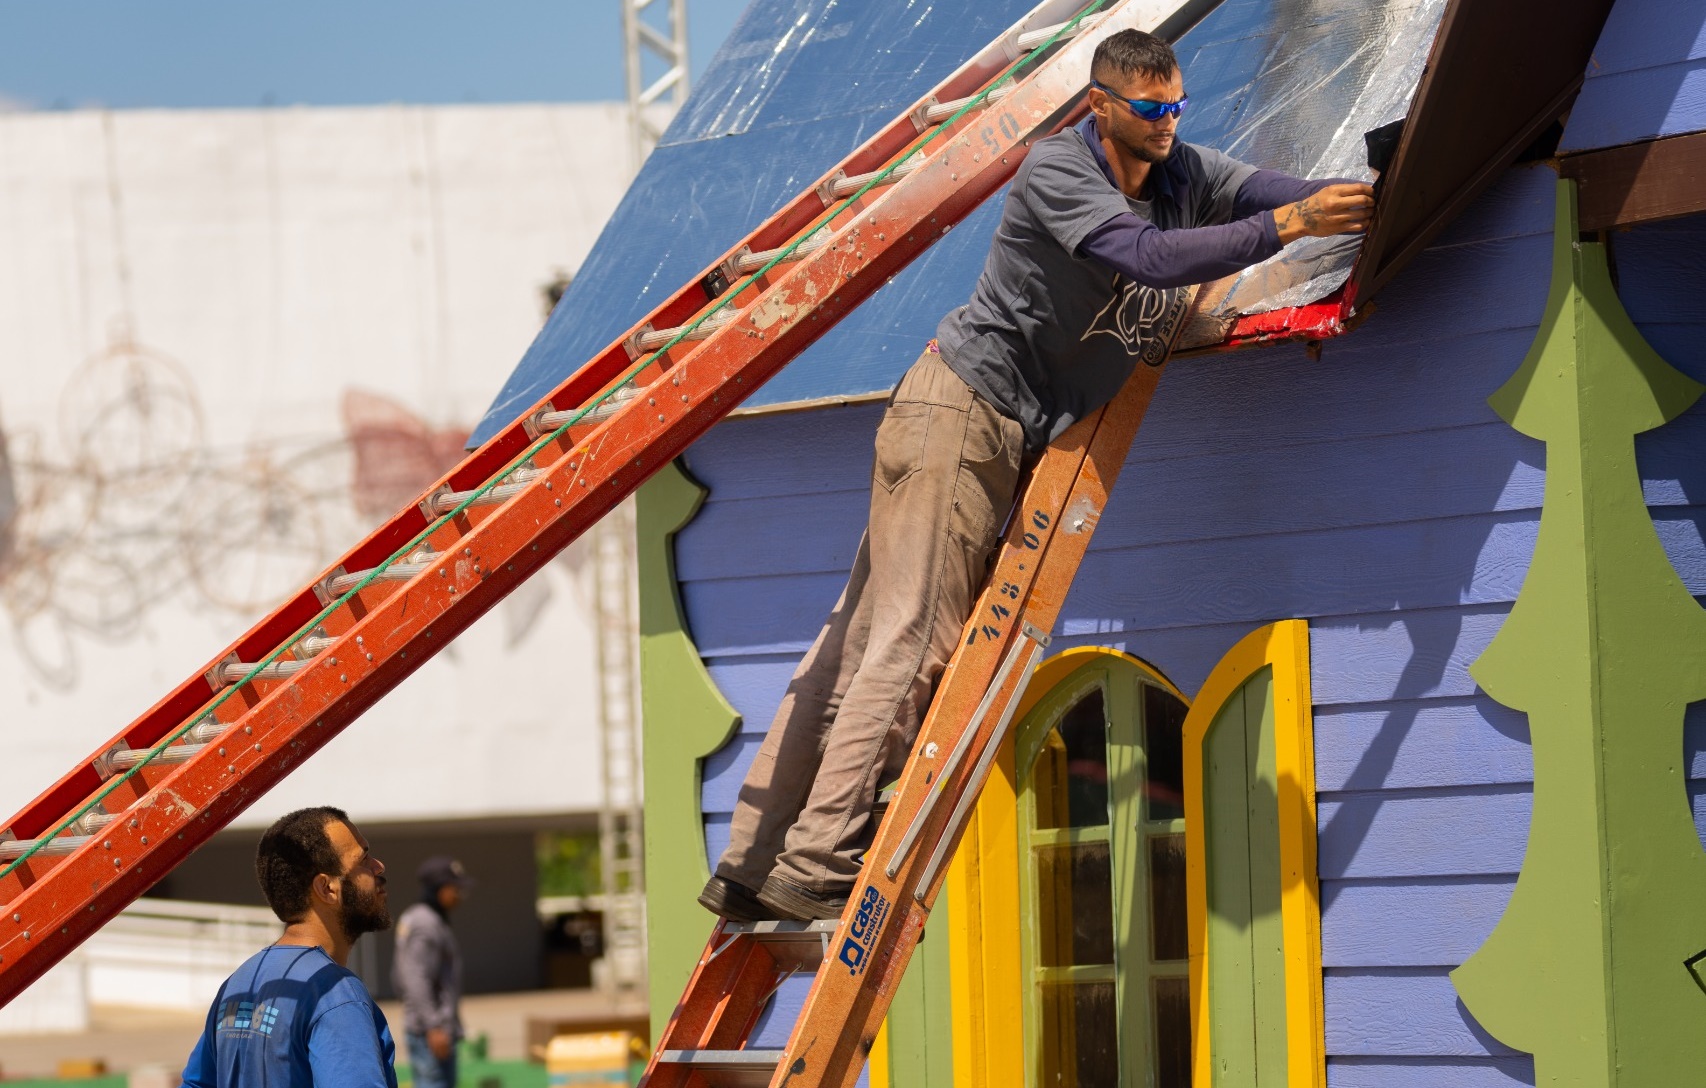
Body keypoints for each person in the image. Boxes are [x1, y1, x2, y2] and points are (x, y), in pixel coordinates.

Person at [701, 29, 1375, 923]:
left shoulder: (1180, 171)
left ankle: (751, 864)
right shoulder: (1062, 173)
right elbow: (1152, 259)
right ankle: (817, 859)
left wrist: (1353, 199)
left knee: (860, 643)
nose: (1168, 125)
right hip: (963, 414)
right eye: (1148, 112)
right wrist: (1290, 227)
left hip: (967, 423)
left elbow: (1266, 189)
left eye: (1176, 107)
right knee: (911, 643)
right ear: (1100, 106)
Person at [180, 806, 396, 1088]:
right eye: (363, 858)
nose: (378, 866)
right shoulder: (335, 993)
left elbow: (196, 1084)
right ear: (327, 889)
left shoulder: (238, 983)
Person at [392, 856, 471, 1088]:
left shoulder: (422, 917)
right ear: (439, 889)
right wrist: (433, 1026)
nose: (459, 895)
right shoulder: (425, 923)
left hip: (431, 1027)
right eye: (454, 888)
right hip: (430, 1031)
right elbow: (414, 977)